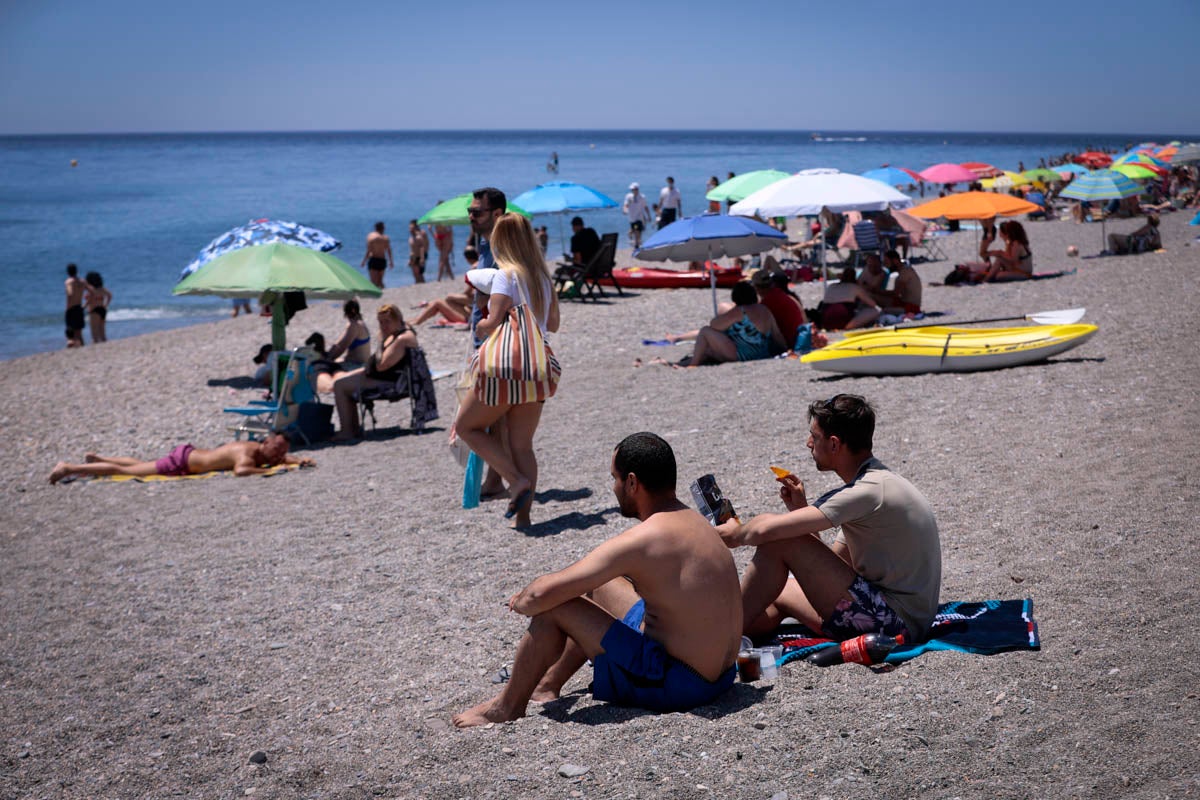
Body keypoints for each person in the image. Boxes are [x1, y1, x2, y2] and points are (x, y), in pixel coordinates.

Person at [452, 432, 742, 727]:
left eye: (614, 479)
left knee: (554, 605)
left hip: (680, 684)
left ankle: (507, 706)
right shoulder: (693, 520)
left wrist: (525, 601)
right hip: (723, 675)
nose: (614, 487)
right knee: (598, 583)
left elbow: (539, 597)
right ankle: (546, 685)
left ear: (632, 482)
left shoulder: (645, 538)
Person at [716, 395, 942, 644]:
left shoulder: (865, 492)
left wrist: (734, 533)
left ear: (834, 444)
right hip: (903, 618)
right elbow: (830, 564)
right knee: (780, 590)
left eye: (815, 436)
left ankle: (719, 637)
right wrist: (799, 509)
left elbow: (766, 531)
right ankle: (729, 628)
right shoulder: (878, 486)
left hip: (895, 627)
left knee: (779, 541)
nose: (808, 443)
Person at [454, 212, 560, 528]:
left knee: (467, 427)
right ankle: (523, 519)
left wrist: (479, 322)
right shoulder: (543, 278)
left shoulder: (506, 275)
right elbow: (553, 324)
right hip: (537, 368)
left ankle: (514, 481)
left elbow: (493, 323)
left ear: (502, 242)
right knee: (522, 445)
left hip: (505, 369)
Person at [49, 432, 312, 483]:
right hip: (183, 463)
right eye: (276, 449)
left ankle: (98, 457)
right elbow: (241, 471)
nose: (278, 455)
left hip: (190, 454)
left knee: (141, 463)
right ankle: (69, 467)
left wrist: (297, 461)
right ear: (265, 441)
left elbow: (276, 459)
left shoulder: (260, 448)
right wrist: (273, 472)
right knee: (129, 472)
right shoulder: (246, 454)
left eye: (281, 451)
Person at [330, 304, 419, 441]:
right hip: (388, 377)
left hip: (392, 383)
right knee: (342, 381)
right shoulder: (400, 334)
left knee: (340, 386)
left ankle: (348, 431)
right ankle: (352, 428)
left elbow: (382, 366)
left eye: (387, 321)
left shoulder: (400, 339)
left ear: (398, 320)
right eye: (381, 322)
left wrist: (381, 342)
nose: (383, 326)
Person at [659, 281, 787, 367]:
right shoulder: (764, 310)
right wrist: (786, 350)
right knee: (707, 351)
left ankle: (692, 365)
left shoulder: (740, 311)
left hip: (744, 355)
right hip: (762, 352)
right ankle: (681, 364)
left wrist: (724, 314)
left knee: (705, 331)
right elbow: (777, 334)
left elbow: (713, 325)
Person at [311, 299, 372, 393]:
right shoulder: (360, 323)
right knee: (334, 360)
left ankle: (327, 385)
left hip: (356, 365)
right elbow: (340, 343)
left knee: (324, 367)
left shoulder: (354, 325)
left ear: (351, 311)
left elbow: (341, 347)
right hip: (359, 362)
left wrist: (327, 358)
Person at [751, 266, 807, 346]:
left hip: (788, 343)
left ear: (756, 288)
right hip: (799, 339)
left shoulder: (765, 304)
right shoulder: (785, 296)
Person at [815, 267, 881, 331]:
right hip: (844, 322)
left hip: (825, 322)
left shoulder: (831, 286)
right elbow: (873, 304)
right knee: (875, 311)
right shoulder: (854, 287)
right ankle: (848, 327)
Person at [880, 250, 922, 315]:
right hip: (903, 303)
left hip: (911, 307)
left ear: (895, 261)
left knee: (880, 311)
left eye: (886, 262)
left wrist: (878, 291)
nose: (886, 266)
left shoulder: (905, 272)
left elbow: (895, 293)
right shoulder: (904, 270)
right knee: (876, 299)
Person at [362, 222, 393, 289]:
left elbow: (369, 250)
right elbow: (388, 250)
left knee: (374, 281)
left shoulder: (371, 236)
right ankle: (384, 293)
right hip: (382, 260)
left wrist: (364, 261)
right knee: (380, 281)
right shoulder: (385, 238)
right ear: (382, 228)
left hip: (374, 259)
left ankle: (377, 295)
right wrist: (391, 261)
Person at [84, 271, 112, 344]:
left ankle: (95, 347)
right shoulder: (102, 289)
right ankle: (105, 345)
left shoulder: (91, 290)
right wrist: (106, 304)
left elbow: (89, 299)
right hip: (102, 310)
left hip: (94, 310)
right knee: (102, 332)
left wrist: (84, 306)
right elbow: (110, 295)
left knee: (94, 333)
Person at [63, 263, 87, 348]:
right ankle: (82, 347)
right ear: (76, 271)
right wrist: (85, 305)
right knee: (79, 332)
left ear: (68, 272)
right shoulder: (82, 281)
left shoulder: (68, 282)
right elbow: (92, 293)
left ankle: (72, 347)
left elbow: (70, 294)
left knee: (70, 331)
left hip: (71, 308)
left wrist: (68, 307)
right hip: (79, 307)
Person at [622, 183, 652, 249]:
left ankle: (636, 244)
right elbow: (625, 205)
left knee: (637, 230)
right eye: (632, 189)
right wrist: (624, 210)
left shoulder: (642, 197)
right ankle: (636, 242)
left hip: (639, 217)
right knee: (636, 230)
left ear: (637, 189)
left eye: (635, 189)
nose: (633, 191)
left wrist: (649, 216)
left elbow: (645, 207)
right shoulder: (628, 196)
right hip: (632, 218)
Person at [408, 220, 429, 284]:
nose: (410, 230)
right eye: (410, 228)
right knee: (415, 274)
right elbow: (411, 249)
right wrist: (410, 259)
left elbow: (423, 246)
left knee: (419, 273)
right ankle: (417, 283)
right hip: (413, 257)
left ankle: (422, 284)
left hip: (420, 256)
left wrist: (422, 258)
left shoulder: (420, 236)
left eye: (412, 228)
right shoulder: (411, 238)